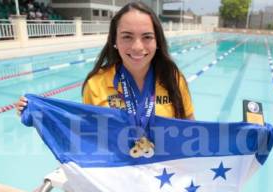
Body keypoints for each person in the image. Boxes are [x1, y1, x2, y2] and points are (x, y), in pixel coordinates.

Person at [16, 2, 194, 121]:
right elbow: (85, 133)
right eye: (127, 37)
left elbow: (192, 129)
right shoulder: (96, 84)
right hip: (114, 175)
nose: (138, 47)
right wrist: (38, 113)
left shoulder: (173, 80)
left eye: (147, 37)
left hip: (163, 175)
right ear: (114, 41)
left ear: (157, 42)